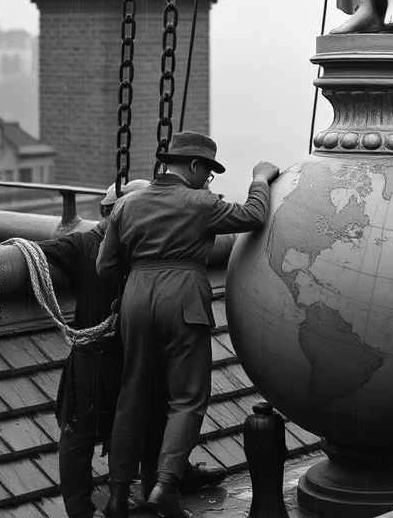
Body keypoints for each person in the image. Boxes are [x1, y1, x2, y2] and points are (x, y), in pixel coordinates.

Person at [97, 130, 281, 518]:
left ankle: (116, 496)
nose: (208, 180)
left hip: (136, 297)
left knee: (132, 396)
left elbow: (105, 266)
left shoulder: (127, 205)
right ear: (195, 167)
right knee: (188, 397)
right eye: (208, 172)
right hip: (183, 296)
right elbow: (254, 215)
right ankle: (164, 488)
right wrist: (259, 179)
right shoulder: (200, 202)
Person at [37, 178, 149, 518]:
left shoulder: (102, 246)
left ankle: (95, 506)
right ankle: (87, 509)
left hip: (112, 359)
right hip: (108, 358)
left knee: (100, 434)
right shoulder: (95, 245)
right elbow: (37, 253)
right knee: (89, 434)